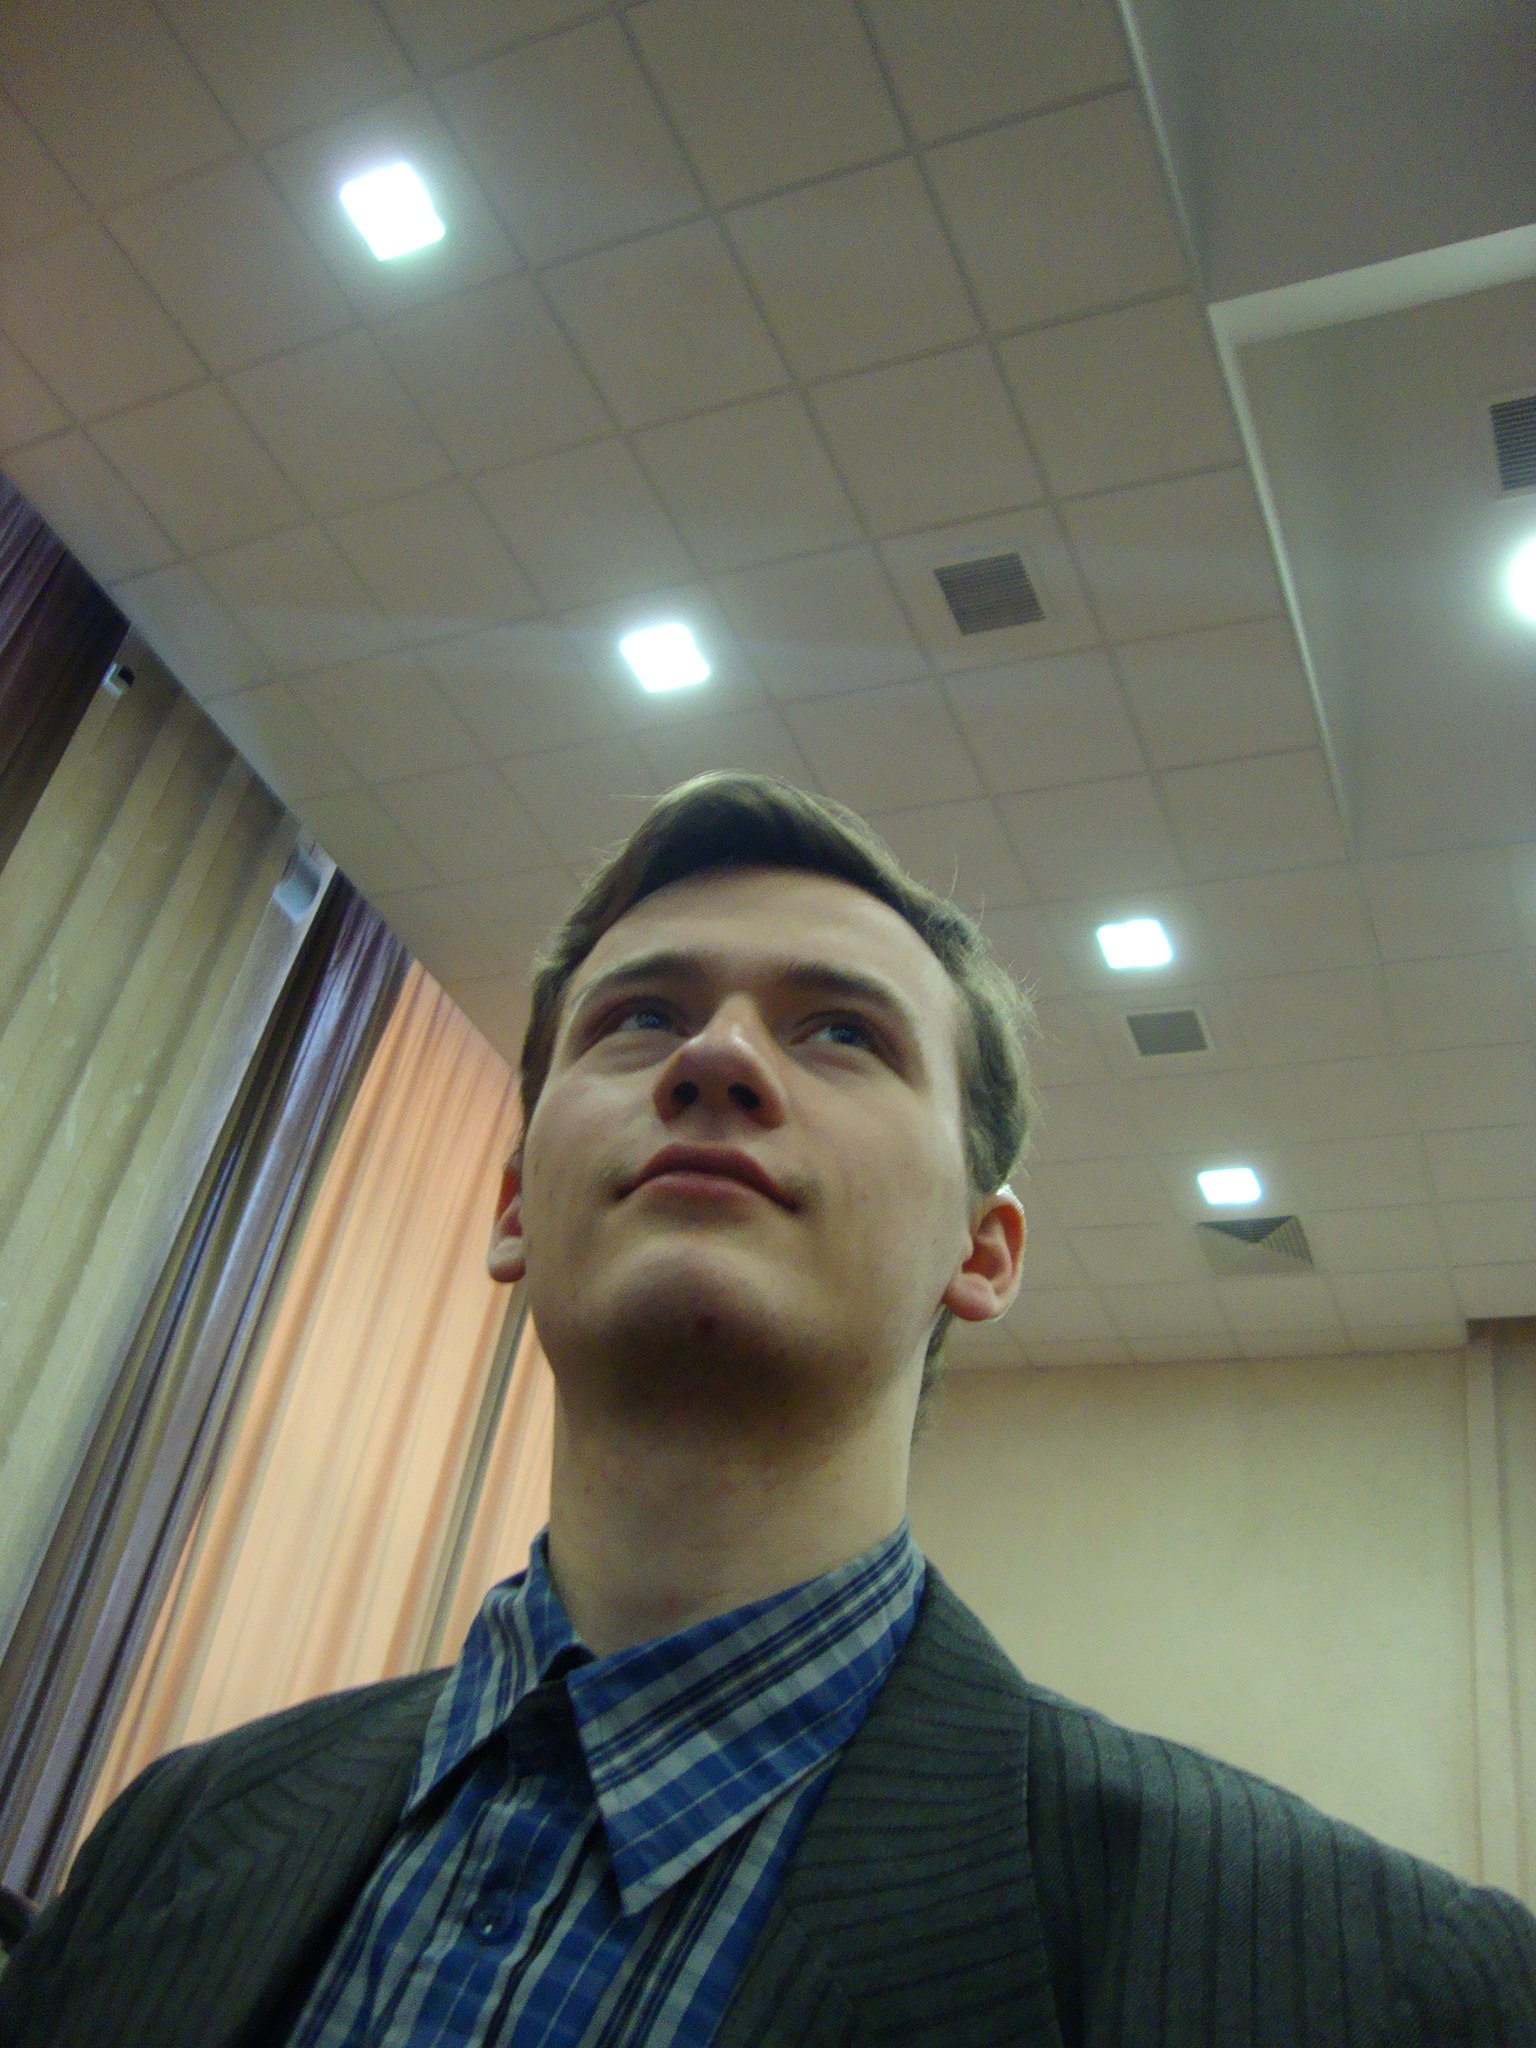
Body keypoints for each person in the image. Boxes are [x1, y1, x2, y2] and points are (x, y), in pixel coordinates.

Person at [2, 772, 1532, 2048]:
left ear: (982, 1253)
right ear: (515, 1206)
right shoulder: (167, 1837)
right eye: (640, 1018)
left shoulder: (1390, 1990)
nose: (717, 1058)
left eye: (841, 1032)